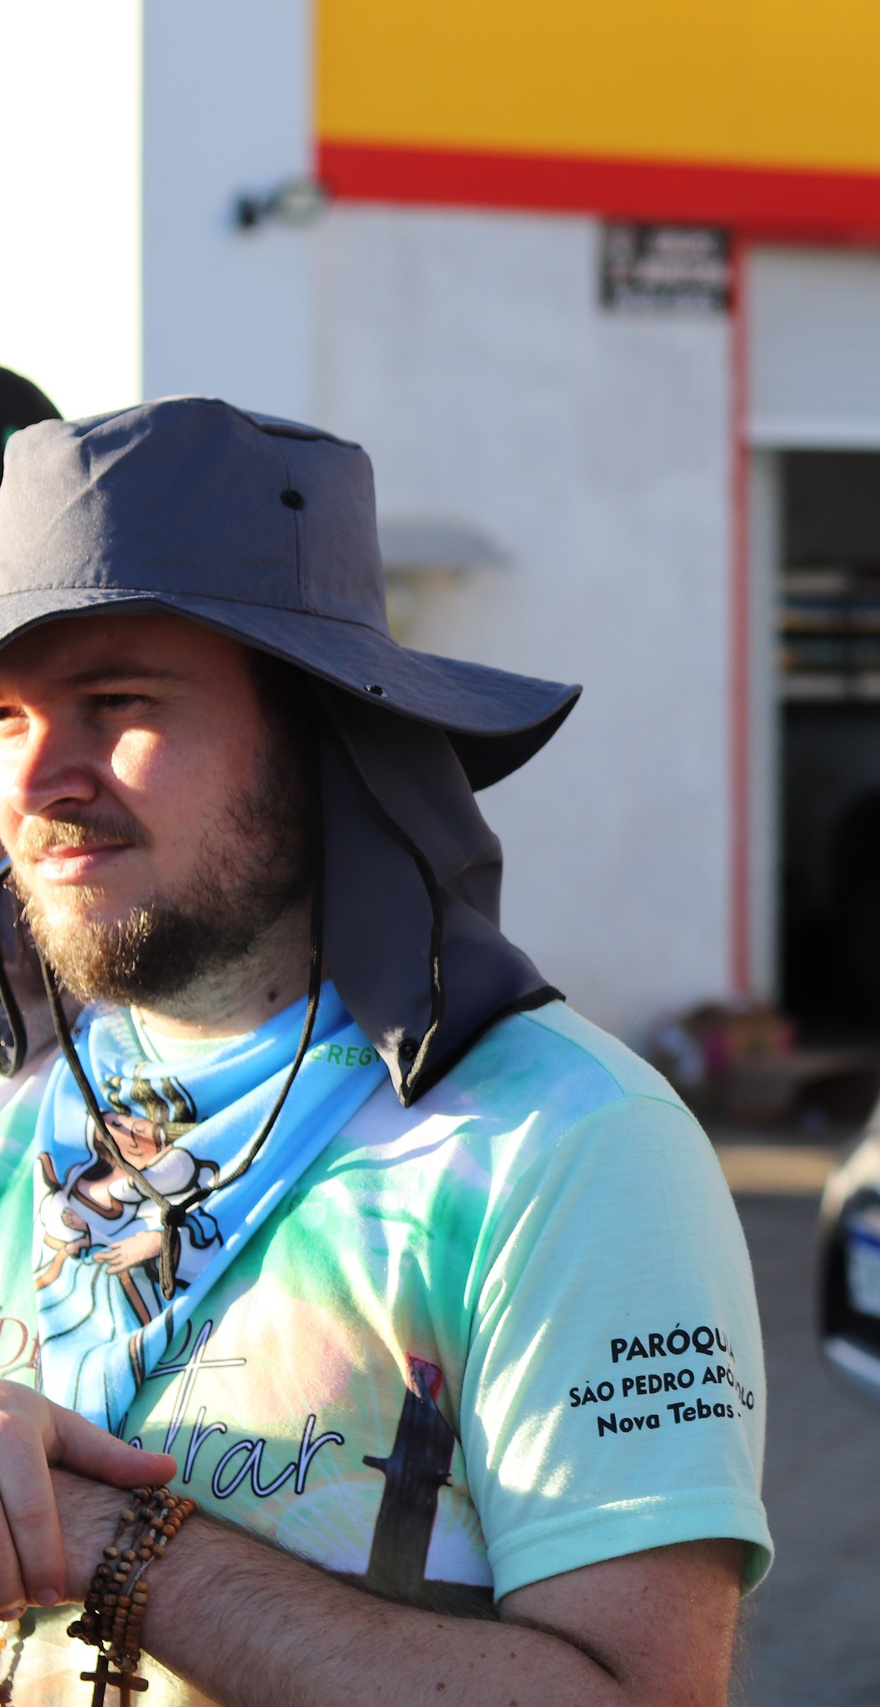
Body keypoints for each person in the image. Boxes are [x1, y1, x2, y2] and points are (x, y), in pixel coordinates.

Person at [0, 398, 768, 1703]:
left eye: (115, 702)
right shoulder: (29, 1115)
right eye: (6, 719)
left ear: (316, 730)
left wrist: (114, 1536)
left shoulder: (565, 1145)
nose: (38, 779)